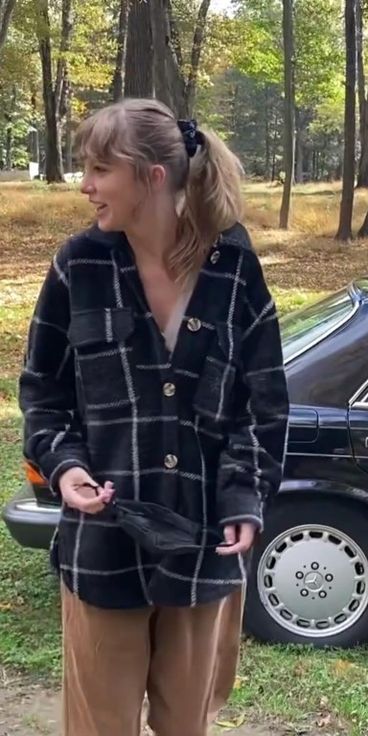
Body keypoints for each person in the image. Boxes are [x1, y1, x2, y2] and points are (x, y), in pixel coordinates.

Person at [19, 98, 289, 736]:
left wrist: (245, 495)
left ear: (151, 176)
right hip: (103, 540)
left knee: (186, 724)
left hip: (203, 544)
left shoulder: (234, 268)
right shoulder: (78, 266)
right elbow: (42, 391)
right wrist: (64, 468)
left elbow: (264, 402)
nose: (84, 185)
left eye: (98, 169)